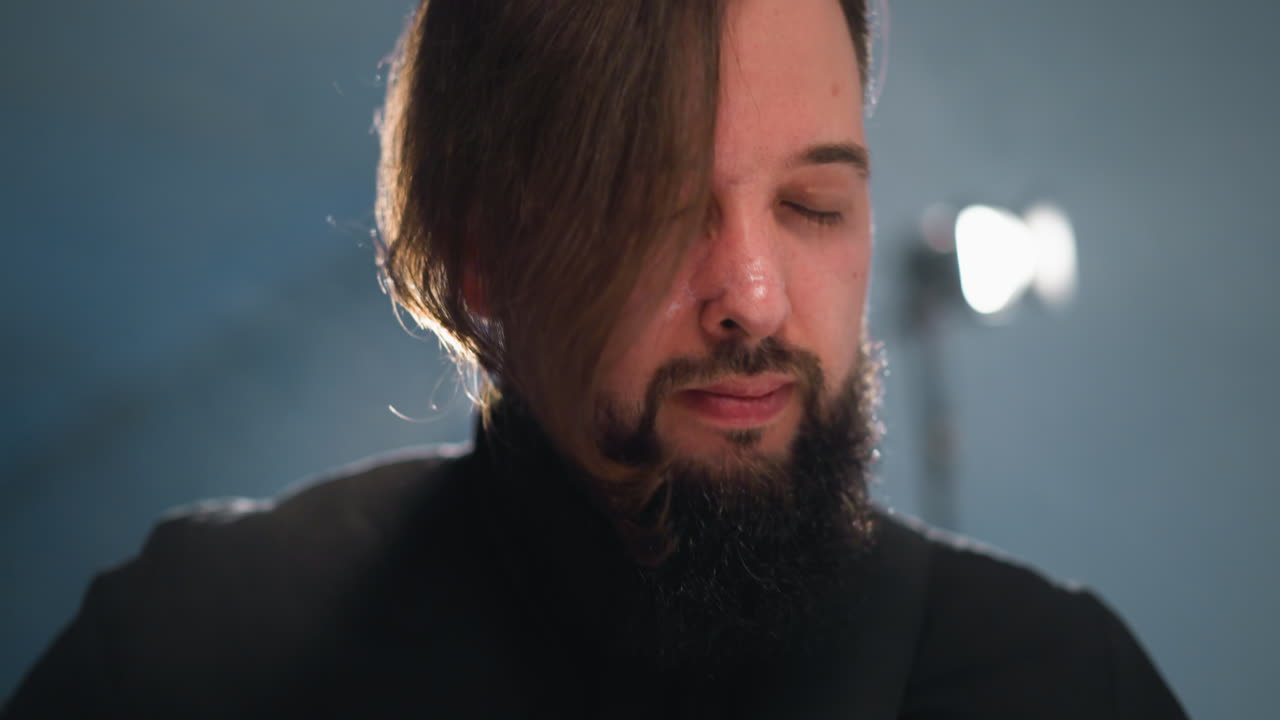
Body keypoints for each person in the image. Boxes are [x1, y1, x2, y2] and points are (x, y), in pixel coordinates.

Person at [4, 0, 1188, 717]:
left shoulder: (1058, 683)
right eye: (660, 209)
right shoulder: (188, 656)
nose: (754, 296)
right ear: (478, 256)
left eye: (812, 207)